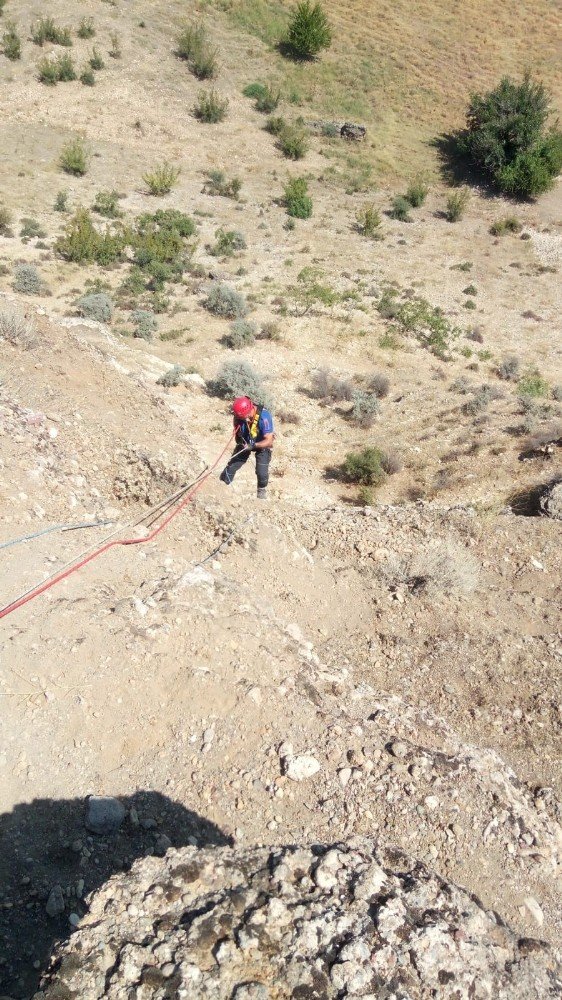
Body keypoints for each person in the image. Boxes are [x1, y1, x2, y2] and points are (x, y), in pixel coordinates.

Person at [220, 396, 274, 499]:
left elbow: (269, 440)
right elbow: (237, 428)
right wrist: (239, 439)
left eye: (241, 417)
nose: (239, 418)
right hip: (245, 441)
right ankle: (222, 484)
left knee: (261, 472)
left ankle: (261, 491)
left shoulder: (264, 416)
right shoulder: (238, 416)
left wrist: (254, 445)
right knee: (233, 465)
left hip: (262, 443)